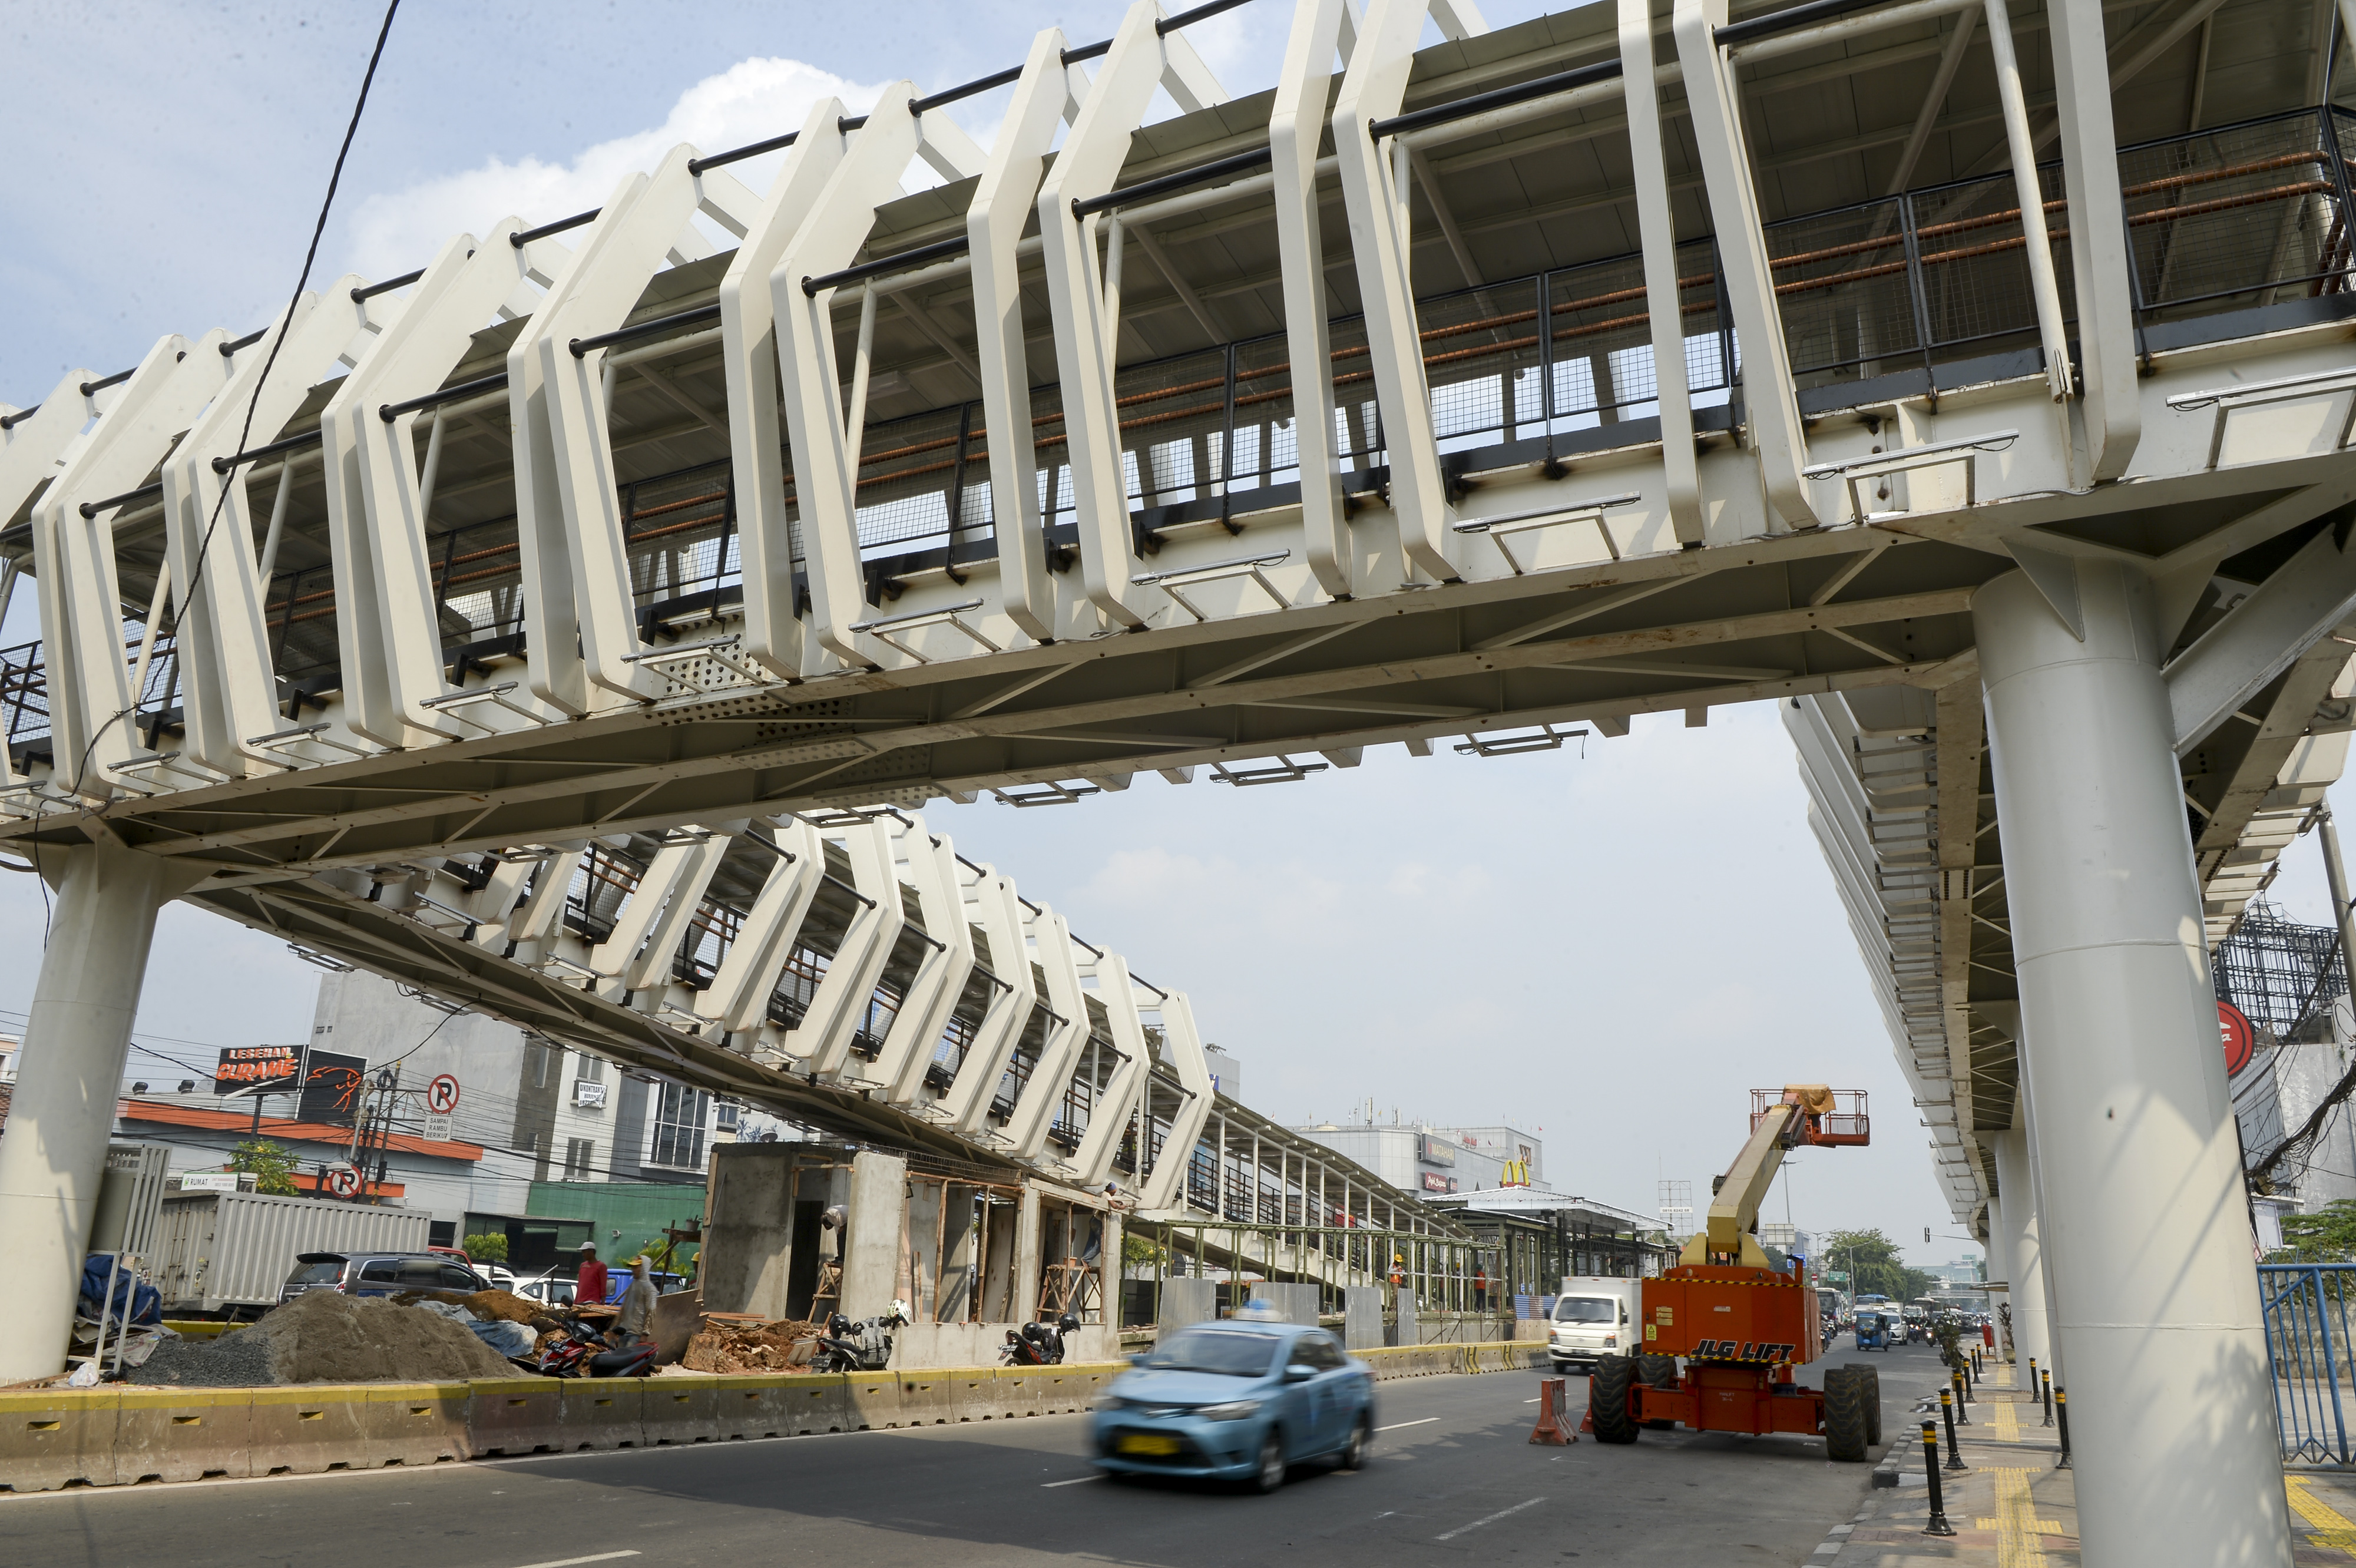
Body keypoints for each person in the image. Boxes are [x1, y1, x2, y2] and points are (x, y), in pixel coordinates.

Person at [613, 1255, 657, 1346]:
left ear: (644, 1268)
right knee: (620, 1357)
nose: (633, 1270)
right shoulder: (632, 1286)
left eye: (636, 1267)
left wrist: (645, 1333)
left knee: (629, 1358)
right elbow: (624, 1308)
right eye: (633, 1267)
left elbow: (651, 1311)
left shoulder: (650, 1289)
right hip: (624, 1331)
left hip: (636, 1333)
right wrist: (614, 1328)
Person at [574, 1242, 608, 1307]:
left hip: (592, 1301)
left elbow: (603, 1285)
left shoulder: (601, 1266)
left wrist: (603, 1303)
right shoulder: (582, 1265)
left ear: (591, 1252)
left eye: (584, 1252)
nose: (583, 1255)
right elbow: (580, 1284)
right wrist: (576, 1301)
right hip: (580, 1301)